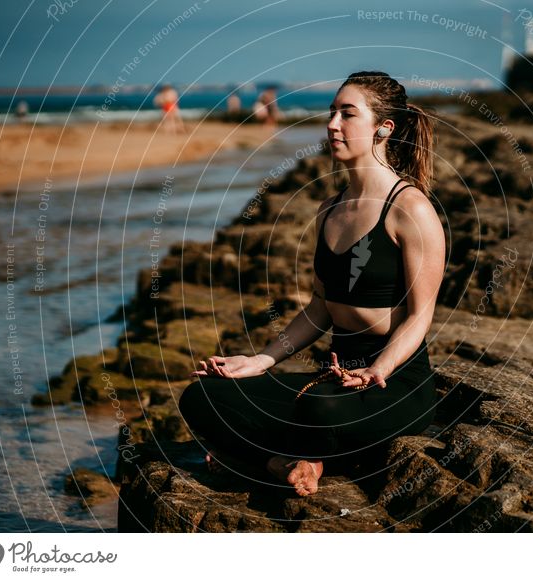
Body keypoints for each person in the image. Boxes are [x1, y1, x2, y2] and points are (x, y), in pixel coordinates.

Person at [179, 71, 444, 497]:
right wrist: (261, 360)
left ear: (383, 128)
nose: (333, 124)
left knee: (321, 411)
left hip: (393, 383)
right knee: (203, 395)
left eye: (347, 114)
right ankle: (283, 461)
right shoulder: (330, 209)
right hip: (334, 375)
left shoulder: (410, 208)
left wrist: (379, 368)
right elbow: (321, 308)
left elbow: (420, 316)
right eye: (331, 113)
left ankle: (268, 453)